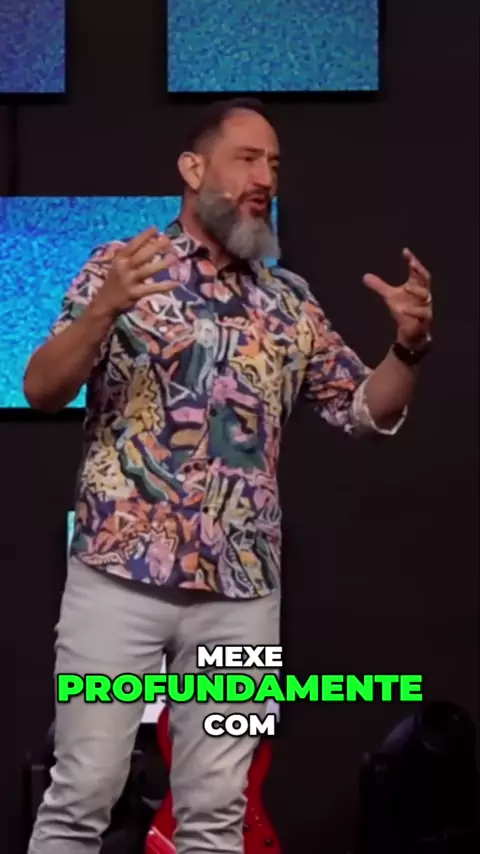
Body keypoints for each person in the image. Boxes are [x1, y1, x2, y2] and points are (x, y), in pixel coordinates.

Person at [24, 97, 433, 854]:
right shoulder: (122, 268)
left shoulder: (289, 302)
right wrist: (103, 310)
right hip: (118, 578)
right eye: (247, 158)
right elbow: (43, 389)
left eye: (273, 163)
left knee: (217, 814)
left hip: (242, 595)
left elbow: (361, 411)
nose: (265, 177)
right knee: (83, 793)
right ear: (192, 168)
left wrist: (407, 349)